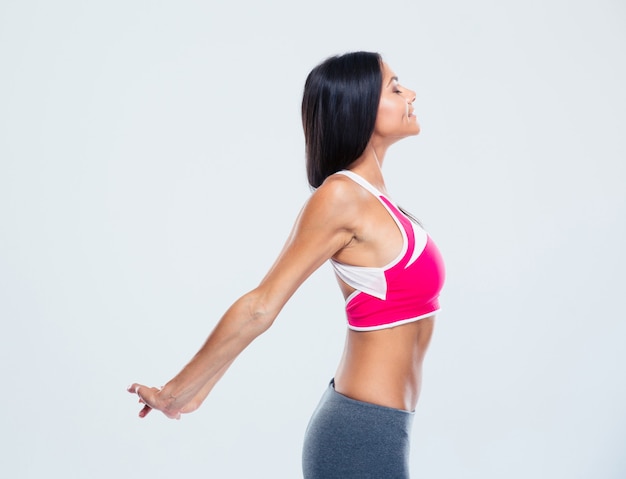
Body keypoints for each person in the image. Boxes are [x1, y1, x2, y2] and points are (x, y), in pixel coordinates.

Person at [128, 51, 445, 478]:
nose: (411, 93)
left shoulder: (379, 203)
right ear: (358, 107)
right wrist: (178, 394)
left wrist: (195, 393)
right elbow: (261, 306)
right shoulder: (341, 196)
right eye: (394, 87)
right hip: (358, 436)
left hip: (385, 430)